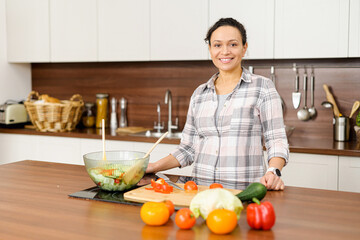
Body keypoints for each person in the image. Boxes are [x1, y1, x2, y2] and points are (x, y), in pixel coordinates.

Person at [146, 18, 289, 190]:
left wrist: (273, 171)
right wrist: (153, 167)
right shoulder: (200, 94)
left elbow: (277, 140)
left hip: (243, 193)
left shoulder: (262, 87)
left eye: (233, 44)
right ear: (210, 49)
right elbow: (188, 148)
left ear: (244, 48)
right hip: (201, 193)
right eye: (217, 45)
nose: (225, 51)